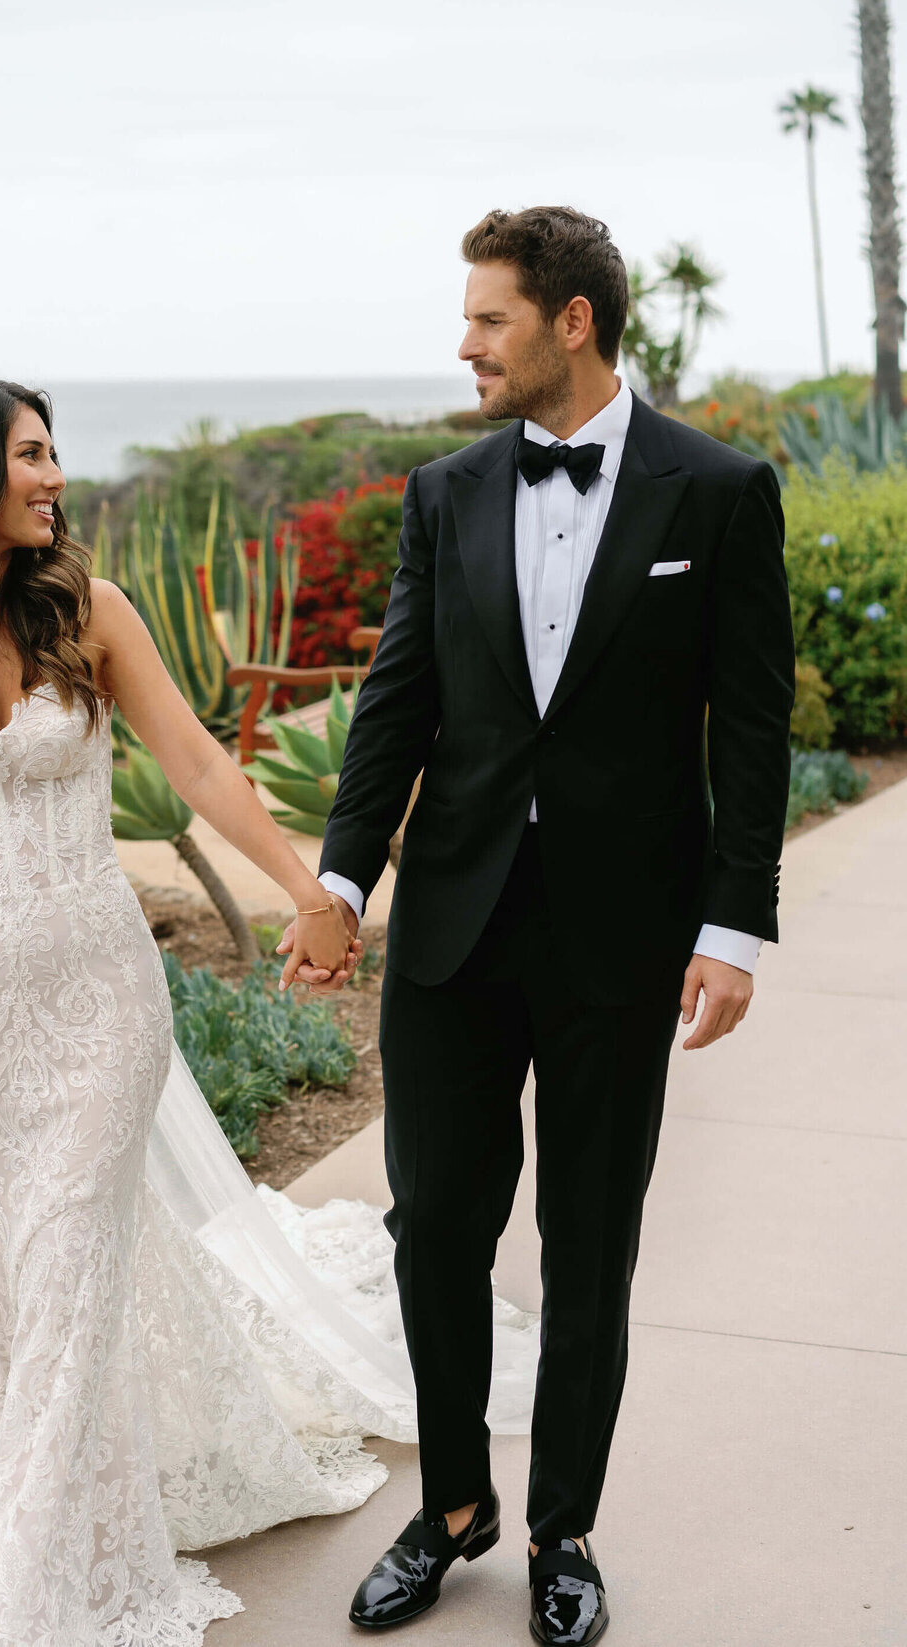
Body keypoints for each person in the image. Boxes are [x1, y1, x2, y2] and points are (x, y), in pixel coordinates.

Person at [0, 379, 472, 1647]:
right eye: (29, 454)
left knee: (67, 1245)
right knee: (16, 1258)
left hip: (101, 998)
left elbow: (203, 764)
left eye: (56, 451)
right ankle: (17, 1483)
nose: (54, 475)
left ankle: (28, 1570)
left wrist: (312, 890)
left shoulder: (93, 610)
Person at [283, 206, 795, 1644]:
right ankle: (452, 1505)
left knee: (589, 1235)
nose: (466, 344)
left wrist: (734, 927)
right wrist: (340, 880)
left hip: (622, 938)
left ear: (573, 320)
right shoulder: (445, 490)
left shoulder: (718, 488)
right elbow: (397, 698)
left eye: (490, 318)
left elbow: (751, 730)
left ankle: (563, 1521)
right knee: (433, 1218)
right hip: (452, 922)